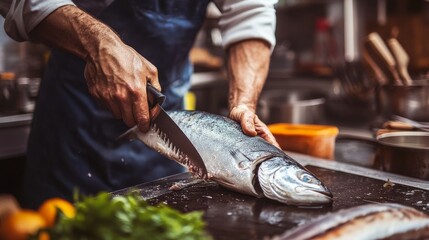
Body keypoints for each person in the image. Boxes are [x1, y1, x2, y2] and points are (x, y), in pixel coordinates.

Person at [0, 0, 279, 209]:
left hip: (166, 129)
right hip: (72, 128)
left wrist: (244, 103)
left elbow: (250, 12)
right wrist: (98, 44)